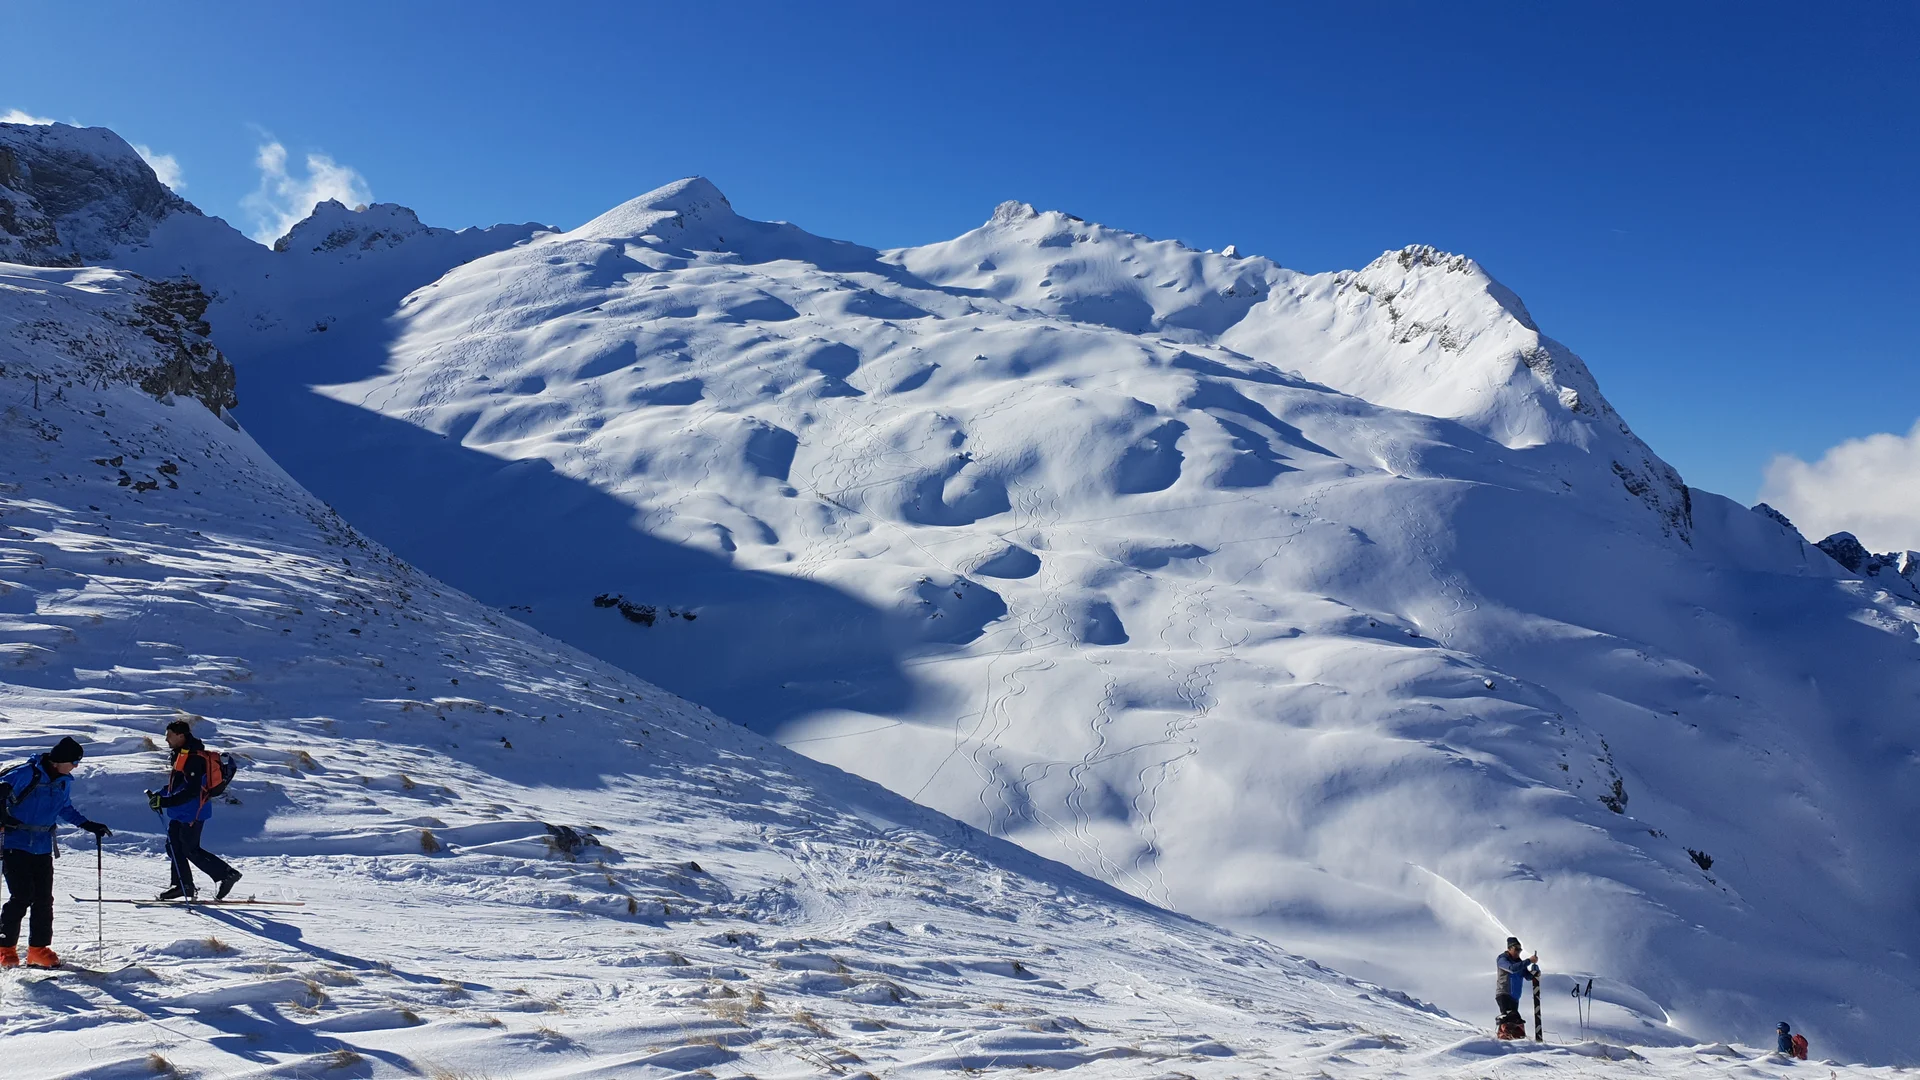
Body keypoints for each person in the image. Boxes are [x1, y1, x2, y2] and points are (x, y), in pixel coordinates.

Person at [0, 736, 111, 968]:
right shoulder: (26, 773)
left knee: (43, 899)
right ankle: (5, 948)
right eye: (74, 762)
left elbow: (64, 808)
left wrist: (88, 825)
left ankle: (38, 949)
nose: (75, 767)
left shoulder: (63, 781)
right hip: (15, 843)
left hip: (41, 846)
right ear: (59, 760)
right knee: (21, 896)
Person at [147, 720, 241, 901]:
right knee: (174, 846)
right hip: (182, 810)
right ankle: (183, 885)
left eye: (169, 735)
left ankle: (226, 874)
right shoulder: (182, 754)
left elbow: (192, 791)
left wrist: (165, 802)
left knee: (190, 849)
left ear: (180, 736)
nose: (166, 739)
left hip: (193, 811)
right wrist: (161, 795)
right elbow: (179, 783)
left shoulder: (193, 758)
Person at [1495, 936, 1539, 1034]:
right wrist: (1528, 961)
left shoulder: (1519, 962)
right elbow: (1512, 969)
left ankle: (1508, 1038)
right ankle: (1505, 1038)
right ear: (1509, 948)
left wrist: (1535, 972)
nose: (1519, 952)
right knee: (1511, 1018)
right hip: (1504, 993)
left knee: (1513, 1020)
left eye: (1520, 949)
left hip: (1515, 996)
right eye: (1516, 949)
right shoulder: (1502, 959)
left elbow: (1527, 976)